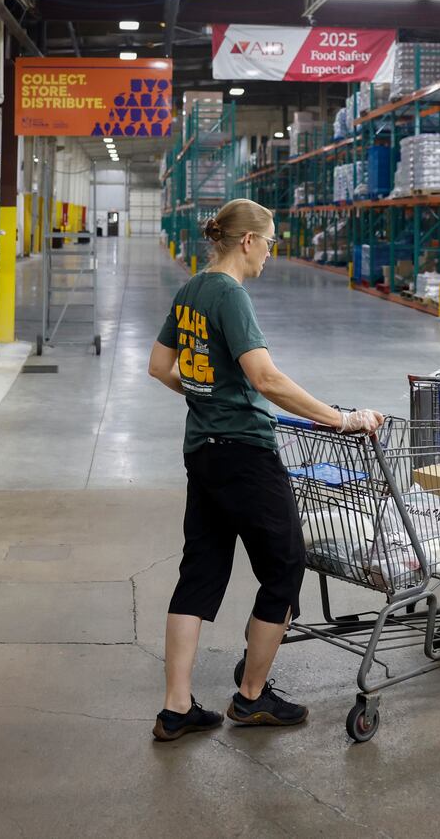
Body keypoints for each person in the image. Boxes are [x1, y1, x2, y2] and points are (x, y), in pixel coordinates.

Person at [147, 198, 381, 742]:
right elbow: (267, 379)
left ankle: (176, 707)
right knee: (284, 568)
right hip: (245, 454)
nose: (271, 254)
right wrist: (342, 419)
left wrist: (205, 395)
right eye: (270, 242)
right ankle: (251, 697)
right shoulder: (230, 294)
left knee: (199, 574)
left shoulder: (190, 290)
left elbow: (160, 367)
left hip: (202, 451)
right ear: (247, 241)